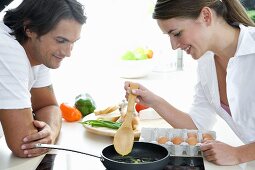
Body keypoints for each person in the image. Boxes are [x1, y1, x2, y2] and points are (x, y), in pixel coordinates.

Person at [125, 0, 255, 166]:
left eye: (177, 33)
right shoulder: (207, 62)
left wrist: (238, 154)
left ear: (206, 16)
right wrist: (153, 101)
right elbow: (197, 126)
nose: (173, 46)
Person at [0, 0, 86, 158]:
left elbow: (48, 105)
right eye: (61, 41)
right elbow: (24, 145)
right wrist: (45, 138)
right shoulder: (6, 48)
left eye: (72, 43)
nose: (68, 53)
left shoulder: (38, 49)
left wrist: (50, 133)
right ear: (30, 29)